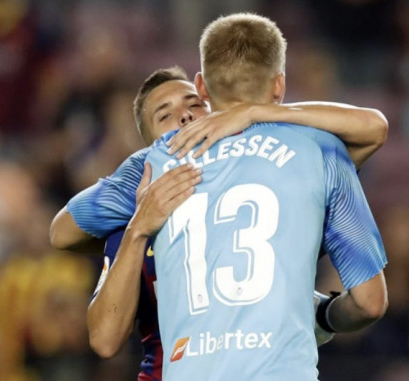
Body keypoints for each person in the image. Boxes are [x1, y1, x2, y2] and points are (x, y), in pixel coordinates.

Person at [51, 67, 388, 379]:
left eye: (194, 105)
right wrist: (138, 228)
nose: (184, 116)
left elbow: (372, 128)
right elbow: (104, 339)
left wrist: (257, 112)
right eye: (164, 115)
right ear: (151, 147)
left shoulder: (272, 175)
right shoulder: (139, 206)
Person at [136, 13, 387, 379]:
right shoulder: (322, 151)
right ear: (280, 86)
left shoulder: (160, 159)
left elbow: (65, 229)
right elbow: (369, 303)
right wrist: (323, 316)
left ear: (201, 88)